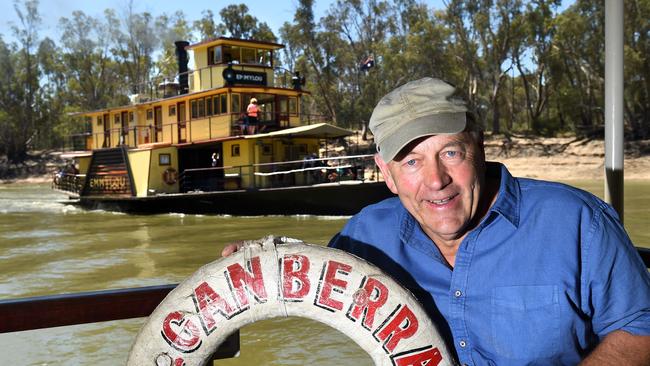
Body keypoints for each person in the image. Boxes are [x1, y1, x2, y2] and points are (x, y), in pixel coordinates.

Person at [222, 78, 650, 365]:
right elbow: (312, 276)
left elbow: (640, 330)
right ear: (385, 173)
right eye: (411, 161)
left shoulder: (578, 222)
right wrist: (259, 262)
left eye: (450, 153)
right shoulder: (367, 238)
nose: (436, 181)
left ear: (478, 149)